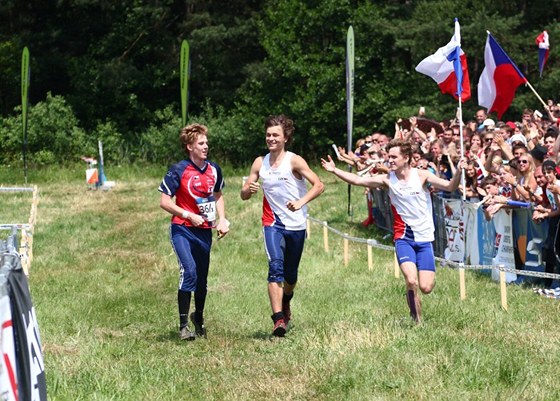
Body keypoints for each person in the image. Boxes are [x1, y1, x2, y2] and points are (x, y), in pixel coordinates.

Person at [321, 138, 465, 323]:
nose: (389, 160)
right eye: (388, 156)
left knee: (426, 286)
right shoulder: (387, 179)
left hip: (424, 239)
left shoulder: (421, 176)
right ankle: (416, 320)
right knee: (411, 280)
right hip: (403, 238)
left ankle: (416, 306)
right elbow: (358, 180)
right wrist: (335, 170)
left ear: (406, 158)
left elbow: (450, 186)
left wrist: (459, 171)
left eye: (393, 157)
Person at [240, 115, 324, 337]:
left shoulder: (295, 161)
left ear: (286, 137)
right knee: (275, 266)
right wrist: (249, 190)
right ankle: (278, 320)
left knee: (291, 276)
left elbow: (319, 185)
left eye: (275, 135)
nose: (271, 138)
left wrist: (300, 202)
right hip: (272, 223)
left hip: (296, 225)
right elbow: (244, 194)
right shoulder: (260, 162)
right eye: (268, 135)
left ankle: (286, 299)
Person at [159, 123, 230, 341]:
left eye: (206, 142)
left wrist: (222, 219)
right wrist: (188, 215)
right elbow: (164, 201)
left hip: (204, 232)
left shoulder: (213, 169)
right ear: (190, 146)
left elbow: (217, 195)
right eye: (201, 143)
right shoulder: (178, 169)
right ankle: (183, 326)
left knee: (201, 279)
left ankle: (198, 317)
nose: (206, 146)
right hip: (182, 228)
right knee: (188, 271)